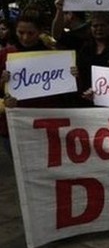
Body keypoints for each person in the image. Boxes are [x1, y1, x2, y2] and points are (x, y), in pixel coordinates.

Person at [0, 9, 76, 154]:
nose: (25, 38)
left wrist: (73, 75)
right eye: (20, 32)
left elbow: (68, 92)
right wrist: (3, 84)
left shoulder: (54, 55)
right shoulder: (5, 55)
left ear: (40, 31)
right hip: (14, 127)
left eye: (30, 33)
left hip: (47, 125)